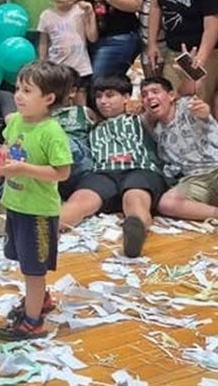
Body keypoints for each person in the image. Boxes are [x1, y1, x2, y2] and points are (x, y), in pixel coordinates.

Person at [0, 61, 74, 341]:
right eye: (18, 88)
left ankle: (33, 320)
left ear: (49, 99)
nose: (19, 95)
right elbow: (7, 147)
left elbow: (62, 172)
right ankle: (42, 299)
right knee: (22, 259)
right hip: (16, 204)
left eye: (27, 90)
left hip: (38, 212)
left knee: (33, 269)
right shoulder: (15, 121)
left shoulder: (52, 132)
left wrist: (23, 169)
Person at [60, 77, 165, 257]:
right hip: (103, 172)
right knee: (80, 201)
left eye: (110, 96)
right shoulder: (93, 125)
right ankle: (43, 229)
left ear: (126, 97)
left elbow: (162, 105)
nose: (103, 101)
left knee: (134, 199)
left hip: (138, 168)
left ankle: (135, 231)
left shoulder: (140, 119)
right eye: (99, 96)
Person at [143, 77, 218, 222]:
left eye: (155, 92)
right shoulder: (156, 131)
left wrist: (204, 112)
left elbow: (200, 107)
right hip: (195, 180)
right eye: (144, 95)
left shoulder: (187, 106)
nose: (149, 97)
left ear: (171, 96)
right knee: (166, 204)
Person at [37, 0, 97, 99]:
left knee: (80, 103)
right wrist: (42, 63)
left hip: (80, 68)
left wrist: (90, 15)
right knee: (58, 102)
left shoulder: (81, 12)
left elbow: (92, 37)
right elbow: (44, 43)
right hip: (56, 69)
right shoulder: (46, 15)